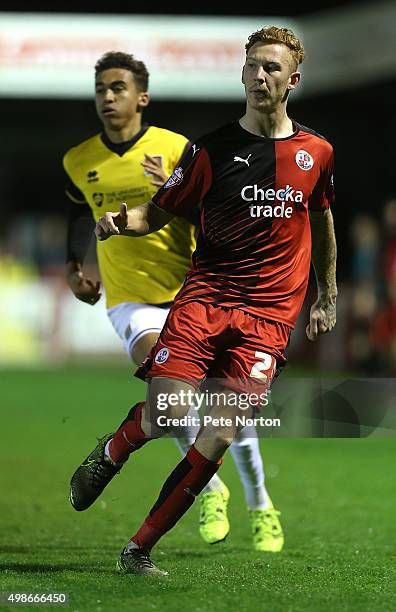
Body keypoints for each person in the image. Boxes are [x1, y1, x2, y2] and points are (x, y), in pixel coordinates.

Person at [70, 26, 337, 576]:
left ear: (293, 80)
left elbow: (323, 217)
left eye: (271, 67)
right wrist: (124, 221)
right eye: (252, 66)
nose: (259, 75)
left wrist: (327, 292)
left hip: (266, 318)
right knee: (169, 413)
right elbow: (157, 213)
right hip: (205, 301)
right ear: (242, 74)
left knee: (217, 433)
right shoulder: (210, 151)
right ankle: (114, 450)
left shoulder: (317, 152)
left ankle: (137, 551)